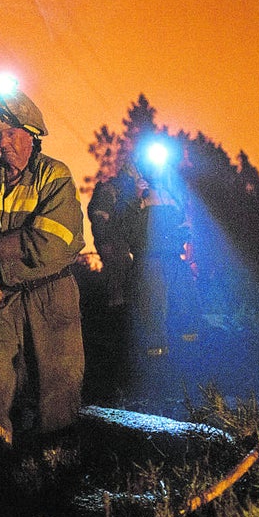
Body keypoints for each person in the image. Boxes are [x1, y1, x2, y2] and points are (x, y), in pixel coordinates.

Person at [0, 83, 86, 450]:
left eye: (11, 134)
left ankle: (54, 468)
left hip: (49, 294)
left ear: (31, 135)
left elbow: (53, 243)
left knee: (55, 387)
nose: (3, 144)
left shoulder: (53, 175)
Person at [87, 136, 195, 358]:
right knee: (151, 318)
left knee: (187, 311)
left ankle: (190, 363)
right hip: (146, 261)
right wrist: (135, 199)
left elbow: (183, 223)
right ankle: (155, 366)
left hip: (174, 260)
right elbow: (113, 229)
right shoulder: (119, 191)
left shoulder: (168, 190)